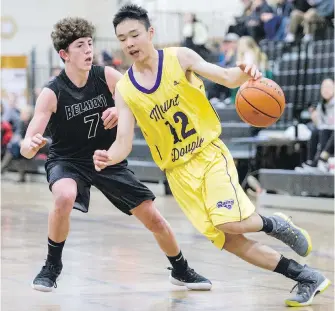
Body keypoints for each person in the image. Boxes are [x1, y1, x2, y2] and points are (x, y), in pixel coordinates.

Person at [93, 5, 331, 307]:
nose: (129, 43)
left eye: (134, 34)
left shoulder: (180, 57)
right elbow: (123, 141)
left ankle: (274, 224)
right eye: (122, 38)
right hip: (178, 175)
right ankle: (307, 277)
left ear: (150, 33)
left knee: (230, 222)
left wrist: (246, 72)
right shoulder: (125, 89)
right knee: (230, 240)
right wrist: (109, 157)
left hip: (208, 155)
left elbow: (227, 77)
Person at [20, 17, 211, 292]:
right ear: (64, 54)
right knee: (64, 195)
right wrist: (31, 145)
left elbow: (139, 101)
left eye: (89, 44)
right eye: (80, 46)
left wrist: (122, 110)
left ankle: (180, 269)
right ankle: (52, 266)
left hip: (107, 157)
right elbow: (27, 145)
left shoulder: (107, 76)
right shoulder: (52, 93)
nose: (88, 50)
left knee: (153, 217)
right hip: (68, 161)